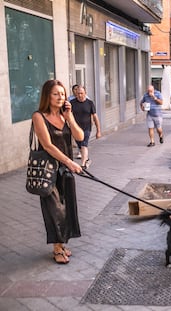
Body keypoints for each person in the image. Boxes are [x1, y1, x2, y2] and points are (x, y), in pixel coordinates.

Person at [31, 79, 84, 264]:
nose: (60, 97)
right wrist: (70, 162)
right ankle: (57, 248)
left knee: (66, 207)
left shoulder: (64, 115)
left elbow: (80, 136)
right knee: (54, 210)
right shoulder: (39, 116)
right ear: (47, 95)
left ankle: (61, 244)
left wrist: (69, 118)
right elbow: (47, 145)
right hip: (49, 171)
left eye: (62, 94)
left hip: (66, 171)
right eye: (56, 93)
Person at [70, 85, 102, 169]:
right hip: (76, 129)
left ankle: (83, 164)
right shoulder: (72, 103)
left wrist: (98, 131)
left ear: (85, 93)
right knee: (80, 146)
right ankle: (87, 159)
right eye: (78, 93)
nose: (80, 95)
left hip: (86, 128)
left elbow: (95, 117)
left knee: (84, 145)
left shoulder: (90, 103)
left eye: (81, 93)